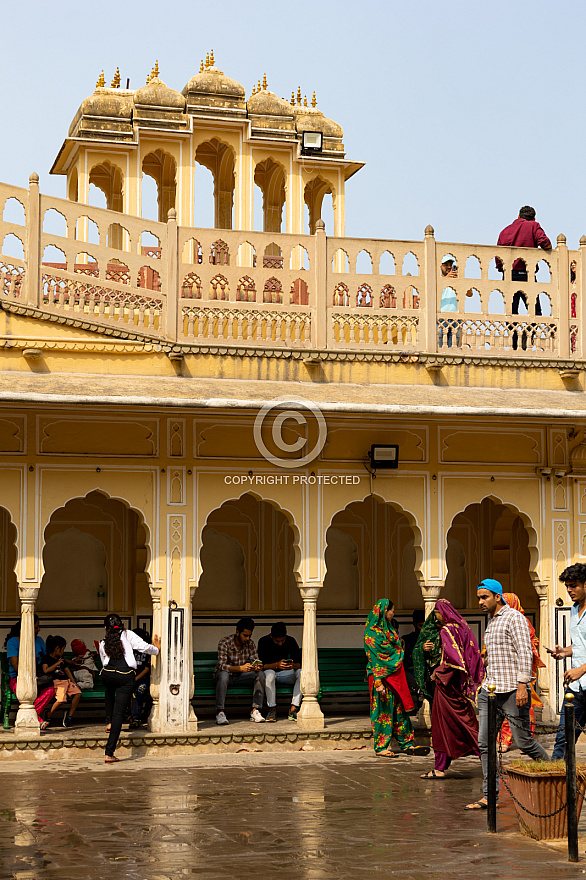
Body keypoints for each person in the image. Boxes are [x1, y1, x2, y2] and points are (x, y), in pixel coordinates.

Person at [466, 578, 549, 810]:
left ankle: (557, 772)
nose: (481, 602)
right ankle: (488, 795)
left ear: (497, 596)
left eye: (485, 597)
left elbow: (525, 653)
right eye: (479, 598)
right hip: (491, 691)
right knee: (484, 743)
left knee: (524, 742)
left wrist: (523, 686)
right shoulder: (491, 621)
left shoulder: (515, 618)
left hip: (513, 690)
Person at [415, 599, 484, 779]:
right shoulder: (463, 627)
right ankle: (440, 767)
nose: (435, 616)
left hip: (447, 687)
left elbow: (453, 660)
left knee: (445, 726)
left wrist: (437, 672)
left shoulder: (446, 630)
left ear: (442, 613)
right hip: (460, 686)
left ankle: (488, 760)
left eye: (436, 612)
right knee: (464, 723)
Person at [364, 598, 429, 758]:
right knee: (383, 713)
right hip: (381, 678)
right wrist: (378, 681)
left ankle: (406, 743)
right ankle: (381, 747)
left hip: (395, 677)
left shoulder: (388, 629)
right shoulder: (372, 631)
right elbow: (375, 657)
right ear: (384, 610)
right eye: (391, 610)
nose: (393, 613)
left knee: (400, 711)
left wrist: (398, 650)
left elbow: (396, 648)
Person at [99, 613, 160, 763]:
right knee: (119, 714)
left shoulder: (103, 642)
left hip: (107, 674)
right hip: (125, 676)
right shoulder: (128, 634)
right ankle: (109, 753)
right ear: (121, 625)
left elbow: (104, 662)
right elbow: (144, 648)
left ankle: (108, 721)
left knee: (109, 690)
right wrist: (157, 649)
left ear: (106, 628)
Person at [497, 593, 545, 752]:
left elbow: (532, 643)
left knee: (517, 706)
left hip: (519, 672)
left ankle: (511, 740)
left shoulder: (522, 622)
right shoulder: (499, 619)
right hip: (503, 671)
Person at [551, 564, 586, 759]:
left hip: (581, 676)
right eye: (567, 586)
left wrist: (582, 669)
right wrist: (564, 652)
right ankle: (556, 784)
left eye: (573, 585)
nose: (569, 590)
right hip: (577, 689)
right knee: (563, 739)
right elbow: (580, 644)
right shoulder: (574, 610)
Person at [214, 617, 266, 725]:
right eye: (245, 635)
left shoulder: (250, 644)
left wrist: (257, 666)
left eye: (250, 635)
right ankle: (220, 712)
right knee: (223, 675)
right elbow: (222, 666)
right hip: (225, 676)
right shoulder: (225, 642)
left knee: (260, 674)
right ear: (237, 632)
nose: (247, 638)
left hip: (241, 676)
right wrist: (240, 668)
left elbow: (255, 660)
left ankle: (255, 710)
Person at [4, 615, 55, 725]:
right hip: (18, 678)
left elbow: (46, 659)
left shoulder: (39, 641)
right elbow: (15, 665)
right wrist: (28, 677)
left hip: (38, 677)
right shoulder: (13, 642)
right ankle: (38, 720)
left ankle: (32, 718)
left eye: (38, 627)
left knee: (51, 690)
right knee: (24, 691)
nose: (38, 630)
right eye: (36, 627)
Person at [495, 206, 551, 286]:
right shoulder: (533, 226)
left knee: (510, 298)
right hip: (527, 273)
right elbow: (545, 243)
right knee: (532, 298)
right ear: (534, 219)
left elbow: (498, 256)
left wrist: (502, 268)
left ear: (518, 216)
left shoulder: (505, 231)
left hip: (509, 274)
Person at [258, 621, 302, 722]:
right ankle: (272, 709)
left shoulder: (291, 641)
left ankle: (294, 708)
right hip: (269, 674)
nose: (280, 643)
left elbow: (299, 663)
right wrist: (277, 665)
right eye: (277, 641)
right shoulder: (263, 641)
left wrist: (292, 665)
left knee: (301, 673)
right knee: (270, 673)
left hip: (285, 674)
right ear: (271, 636)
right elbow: (261, 666)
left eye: (282, 640)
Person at [40, 635, 82, 729]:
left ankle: (69, 716)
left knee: (78, 693)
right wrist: (56, 664)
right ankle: (49, 714)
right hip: (57, 683)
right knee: (61, 700)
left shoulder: (61, 658)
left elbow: (67, 670)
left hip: (67, 681)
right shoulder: (47, 658)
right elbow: (46, 670)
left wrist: (74, 683)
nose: (63, 652)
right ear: (57, 648)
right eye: (62, 649)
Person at [129, 627, 154, 729]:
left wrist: (135, 679)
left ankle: (136, 719)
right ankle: (129, 715)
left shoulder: (147, 650)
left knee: (140, 691)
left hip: (142, 679)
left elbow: (147, 669)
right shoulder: (130, 649)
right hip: (130, 678)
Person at [402, 609, 425, 674]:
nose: (423, 629)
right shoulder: (407, 639)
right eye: (421, 626)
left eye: (425, 626)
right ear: (414, 624)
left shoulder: (430, 639)